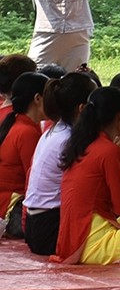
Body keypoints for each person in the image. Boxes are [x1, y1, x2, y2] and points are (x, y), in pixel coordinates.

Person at [55, 87, 120, 264]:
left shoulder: (85, 143)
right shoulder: (108, 150)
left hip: (89, 226)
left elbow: (105, 197)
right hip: (90, 241)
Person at [24, 72, 97, 253]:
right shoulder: (70, 138)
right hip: (50, 229)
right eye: (95, 105)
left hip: (36, 226)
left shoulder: (56, 129)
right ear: (82, 108)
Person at [0, 71, 48, 234]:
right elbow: (36, 180)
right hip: (11, 205)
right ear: (37, 99)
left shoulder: (20, 124)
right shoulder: (27, 132)